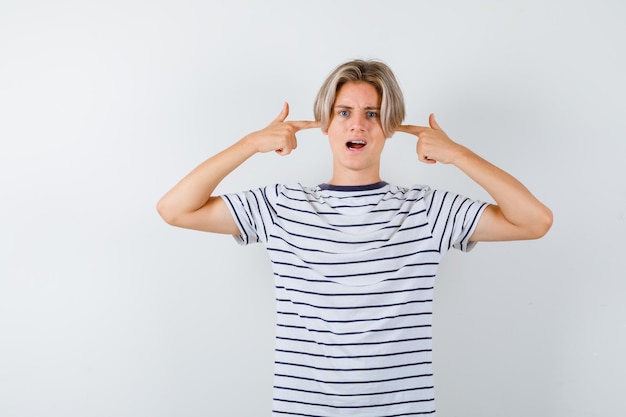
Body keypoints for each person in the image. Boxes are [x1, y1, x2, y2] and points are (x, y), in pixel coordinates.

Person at [157, 59, 552, 416]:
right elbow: (175, 209)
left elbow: (534, 221)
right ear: (324, 123)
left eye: (372, 114)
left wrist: (459, 155)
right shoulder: (282, 205)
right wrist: (250, 144)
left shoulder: (427, 210)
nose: (357, 124)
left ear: (391, 127)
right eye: (343, 112)